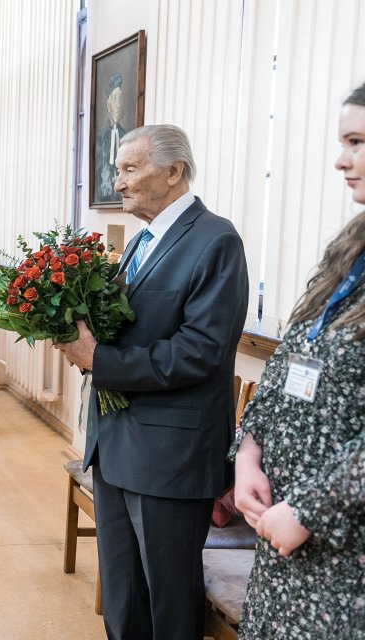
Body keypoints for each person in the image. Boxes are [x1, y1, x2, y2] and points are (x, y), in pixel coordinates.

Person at [58, 124, 249, 639]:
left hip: (170, 456)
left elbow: (201, 352)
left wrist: (101, 360)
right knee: (123, 599)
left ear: (173, 171)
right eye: (117, 170)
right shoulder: (141, 241)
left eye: (129, 169)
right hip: (117, 445)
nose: (118, 183)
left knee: (168, 603)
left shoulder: (216, 241)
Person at [231, 83, 365, 638]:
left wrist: (310, 510)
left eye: (356, 142)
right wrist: (249, 456)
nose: (341, 159)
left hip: (344, 557)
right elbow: (288, 363)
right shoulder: (350, 248)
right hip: (284, 539)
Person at [93, 73, 125, 203]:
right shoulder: (100, 138)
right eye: (114, 98)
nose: (117, 105)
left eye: (120, 98)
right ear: (108, 104)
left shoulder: (126, 137)